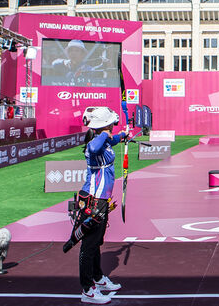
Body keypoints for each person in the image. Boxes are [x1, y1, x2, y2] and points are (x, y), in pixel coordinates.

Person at [75, 107, 130, 304]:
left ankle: (98, 279)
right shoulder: (95, 142)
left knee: (97, 242)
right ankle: (87, 290)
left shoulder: (105, 140)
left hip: (102, 200)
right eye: (110, 125)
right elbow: (94, 147)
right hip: (93, 200)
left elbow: (111, 141)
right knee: (88, 246)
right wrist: (106, 132)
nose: (113, 128)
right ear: (104, 126)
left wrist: (122, 135)